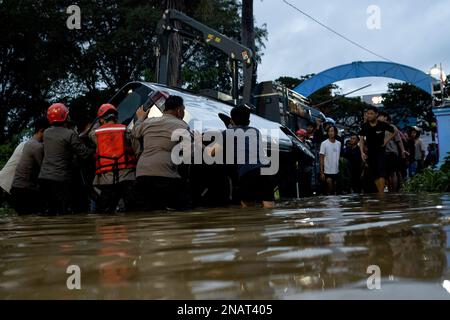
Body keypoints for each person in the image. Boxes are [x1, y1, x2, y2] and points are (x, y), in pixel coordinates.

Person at [131, 95, 191, 211]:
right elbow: (187, 153)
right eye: (183, 110)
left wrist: (141, 117)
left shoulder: (148, 122)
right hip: (166, 175)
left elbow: (135, 132)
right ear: (179, 110)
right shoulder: (182, 125)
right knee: (183, 208)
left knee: (146, 214)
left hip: (142, 174)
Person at [39, 103, 94, 215]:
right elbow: (85, 154)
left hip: (44, 179)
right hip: (60, 180)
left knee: (51, 214)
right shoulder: (70, 134)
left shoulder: (46, 133)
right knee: (64, 213)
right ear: (65, 116)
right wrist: (96, 148)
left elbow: (59, 146)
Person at [90, 104, 138, 213]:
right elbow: (137, 150)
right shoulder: (126, 130)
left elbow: (92, 130)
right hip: (127, 178)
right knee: (133, 212)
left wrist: (99, 121)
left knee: (105, 215)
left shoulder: (95, 134)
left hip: (106, 180)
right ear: (116, 118)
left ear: (101, 120)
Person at [10, 117, 49, 214]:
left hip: (17, 189)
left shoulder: (29, 142)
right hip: (25, 191)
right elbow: (44, 170)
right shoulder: (37, 146)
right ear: (42, 131)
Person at [359, 106, 395, 194]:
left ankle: (382, 193)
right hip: (370, 153)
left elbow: (394, 132)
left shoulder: (382, 124)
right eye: (368, 114)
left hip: (381, 152)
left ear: (376, 114)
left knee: (381, 173)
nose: (369, 115)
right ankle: (380, 193)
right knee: (374, 174)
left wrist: (386, 141)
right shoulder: (365, 126)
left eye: (371, 113)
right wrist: (362, 152)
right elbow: (361, 140)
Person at [378, 112, 406, 192]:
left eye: (381, 116)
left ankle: (394, 191)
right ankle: (390, 190)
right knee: (385, 174)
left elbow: (399, 141)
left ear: (385, 118)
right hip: (382, 154)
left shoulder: (392, 127)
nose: (379, 118)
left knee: (393, 173)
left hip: (392, 153)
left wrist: (403, 151)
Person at [320, 126, 341, 195]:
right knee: (329, 186)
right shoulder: (324, 143)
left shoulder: (339, 143)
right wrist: (322, 172)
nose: (330, 133)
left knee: (335, 189)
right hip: (327, 170)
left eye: (332, 131)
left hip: (336, 171)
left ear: (335, 132)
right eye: (329, 131)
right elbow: (321, 158)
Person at [295, 129, 313, 197]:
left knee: (307, 186)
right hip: (299, 169)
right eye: (298, 136)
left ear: (304, 137)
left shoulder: (307, 145)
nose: (299, 137)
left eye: (301, 136)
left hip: (306, 169)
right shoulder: (296, 144)